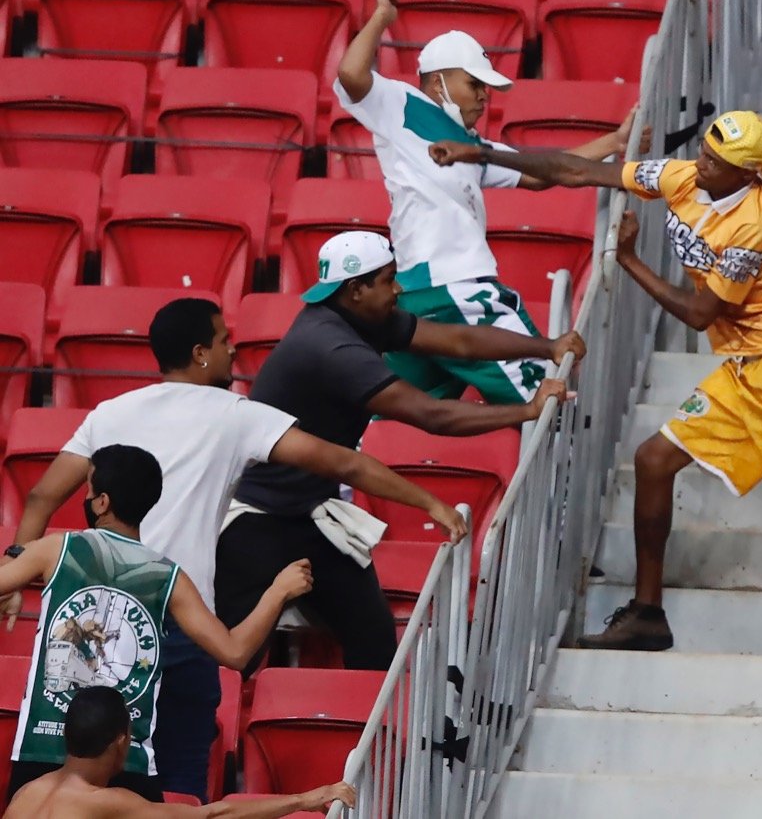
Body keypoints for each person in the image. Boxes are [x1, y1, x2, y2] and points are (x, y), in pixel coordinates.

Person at [430, 110, 762, 657]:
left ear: (749, 174)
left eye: (715, 162)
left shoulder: (755, 222)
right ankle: (648, 613)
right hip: (745, 365)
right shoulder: (684, 178)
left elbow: (700, 314)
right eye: (703, 151)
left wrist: (627, 260)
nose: (700, 164)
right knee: (653, 460)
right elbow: (577, 172)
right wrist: (483, 155)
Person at [2, 297, 469, 802]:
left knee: (66, 783)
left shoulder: (110, 413)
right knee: (176, 793)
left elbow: (42, 495)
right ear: (201, 353)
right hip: (179, 623)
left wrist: (15, 560)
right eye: (225, 341)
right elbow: (345, 465)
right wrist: (432, 504)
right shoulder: (236, 414)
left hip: (94, 618)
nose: (234, 350)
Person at [216, 230, 581, 673]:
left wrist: (546, 345)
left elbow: (460, 342)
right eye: (389, 280)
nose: (399, 289)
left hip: (313, 516)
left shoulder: (355, 317)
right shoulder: (332, 346)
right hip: (257, 524)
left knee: (374, 650)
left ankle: (361, 739)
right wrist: (526, 410)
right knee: (236, 666)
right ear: (356, 289)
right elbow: (433, 416)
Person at [334, 0, 629, 405]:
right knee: (551, 397)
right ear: (439, 81)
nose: (482, 95)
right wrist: (382, 17)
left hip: (419, 295)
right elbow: (351, 75)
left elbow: (544, 171)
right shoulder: (403, 103)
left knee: (387, 414)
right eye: (474, 83)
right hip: (454, 288)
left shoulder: (470, 145)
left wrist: (613, 141)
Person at [2, 446, 315, 804]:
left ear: (102, 502)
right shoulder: (168, 576)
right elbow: (236, 652)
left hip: (44, 748)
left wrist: (15, 566)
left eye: (88, 491)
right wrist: (278, 592)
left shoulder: (57, 549)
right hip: (124, 759)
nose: (86, 498)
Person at [4, 686, 354, 818]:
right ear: (121, 742)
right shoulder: (105, 802)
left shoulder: (25, 794)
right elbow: (214, 816)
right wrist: (306, 799)